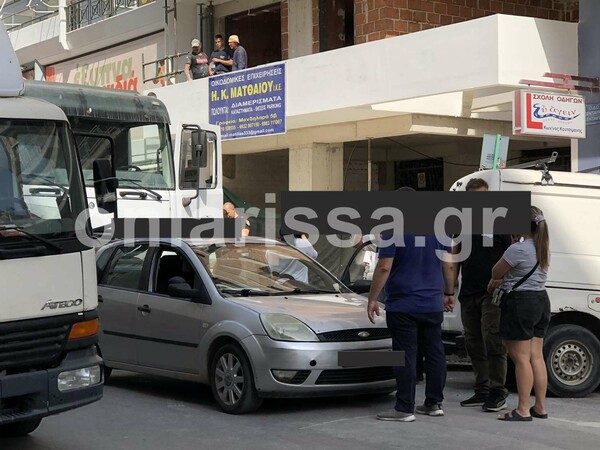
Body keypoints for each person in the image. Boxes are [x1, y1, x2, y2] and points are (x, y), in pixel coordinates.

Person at [367, 229, 456, 422]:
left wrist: (372, 298)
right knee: (435, 352)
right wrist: (449, 292)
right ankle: (434, 403)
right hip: (432, 304)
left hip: (403, 304)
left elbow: (384, 266)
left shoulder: (393, 232)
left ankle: (404, 407)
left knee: (405, 355)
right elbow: (448, 265)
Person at [454, 178, 512, 412]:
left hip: (492, 292)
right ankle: (482, 389)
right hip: (468, 291)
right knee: (473, 342)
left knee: (493, 340)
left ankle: (498, 391)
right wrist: (449, 290)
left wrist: (502, 279)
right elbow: (454, 256)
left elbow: (510, 255)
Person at [488, 206, 551, 422]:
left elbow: (496, 272)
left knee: (521, 358)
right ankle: (540, 407)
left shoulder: (517, 250)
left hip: (521, 303)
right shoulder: (543, 247)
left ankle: (523, 409)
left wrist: (514, 245)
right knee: (536, 357)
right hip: (541, 300)